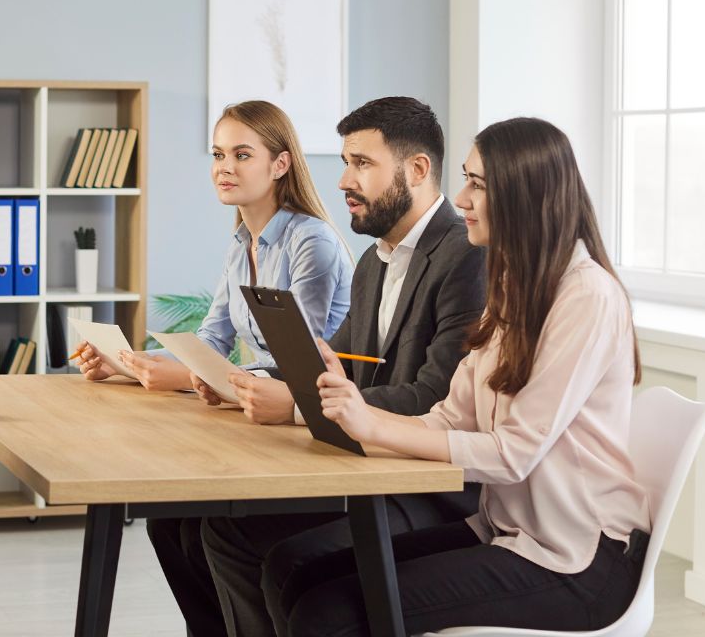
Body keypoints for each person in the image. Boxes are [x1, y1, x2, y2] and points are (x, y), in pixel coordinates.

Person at [278, 117, 650, 636]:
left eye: (477, 184)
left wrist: (373, 427)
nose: (460, 198)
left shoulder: (586, 296)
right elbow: (450, 418)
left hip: (577, 560)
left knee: (330, 611)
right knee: (296, 576)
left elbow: (514, 452)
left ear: (524, 195)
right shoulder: (512, 289)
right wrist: (349, 416)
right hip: (506, 532)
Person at [194, 96, 487, 637]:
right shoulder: (376, 259)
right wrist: (247, 383)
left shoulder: (466, 255)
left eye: (362, 164)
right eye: (346, 162)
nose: (343, 180)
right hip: (370, 464)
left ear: (417, 170)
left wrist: (300, 407)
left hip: (432, 488)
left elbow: (435, 400)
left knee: (236, 535)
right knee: (190, 526)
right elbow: (331, 362)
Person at [76, 100, 353, 635]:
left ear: (280, 164)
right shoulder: (240, 243)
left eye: (242, 154)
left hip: (311, 425)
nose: (225, 167)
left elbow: (295, 364)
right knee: (168, 521)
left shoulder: (310, 241)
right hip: (259, 419)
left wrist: (186, 377)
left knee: (210, 528)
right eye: (218, 153)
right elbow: (211, 339)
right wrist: (130, 364)